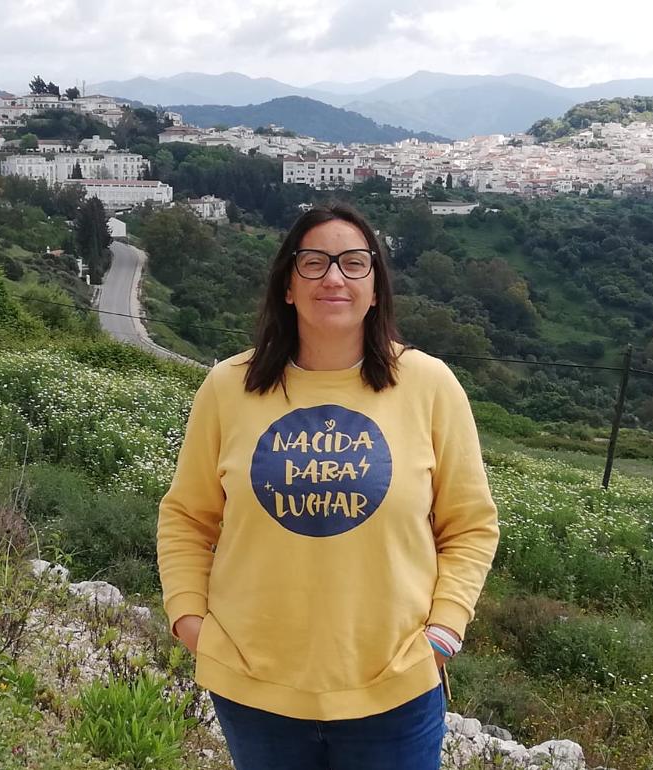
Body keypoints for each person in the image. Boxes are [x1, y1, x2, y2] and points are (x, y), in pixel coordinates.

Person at [157, 203, 499, 770]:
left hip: (394, 687)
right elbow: (187, 517)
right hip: (253, 687)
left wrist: (442, 633)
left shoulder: (429, 385)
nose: (334, 277)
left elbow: (469, 524)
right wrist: (191, 620)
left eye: (353, 264)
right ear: (287, 286)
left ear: (374, 288)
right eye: (313, 263)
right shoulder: (228, 387)